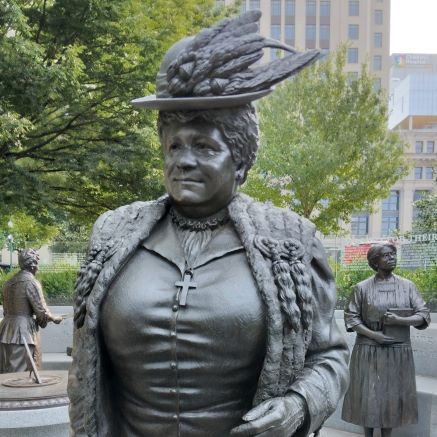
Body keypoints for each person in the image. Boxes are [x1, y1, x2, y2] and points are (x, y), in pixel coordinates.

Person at [68, 11, 349, 437]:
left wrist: (299, 406)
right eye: (174, 145)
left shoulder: (290, 241)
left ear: (239, 159)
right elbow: (84, 360)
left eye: (203, 146)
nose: (183, 159)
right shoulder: (113, 234)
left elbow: (329, 357)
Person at [342, 243, 430, 437]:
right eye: (386, 255)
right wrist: (374, 335)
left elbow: (423, 315)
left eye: (393, 254)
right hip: (368, 349)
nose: (392, 257)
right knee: (369, 395)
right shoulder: (362, 288)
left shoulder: (407, 286)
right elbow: (351, 317)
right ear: (375, 262)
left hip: (398, 351)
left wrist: (401, 320)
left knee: (391, 395)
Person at [0, 248, 62, 373]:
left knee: (6, 373)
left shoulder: (8, 283)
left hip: (5, 330)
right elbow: (42, 312)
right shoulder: (32, 282)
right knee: (22, 375)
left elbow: (6, 311)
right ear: (33, 265)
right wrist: (54, 318)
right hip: (23, 333)